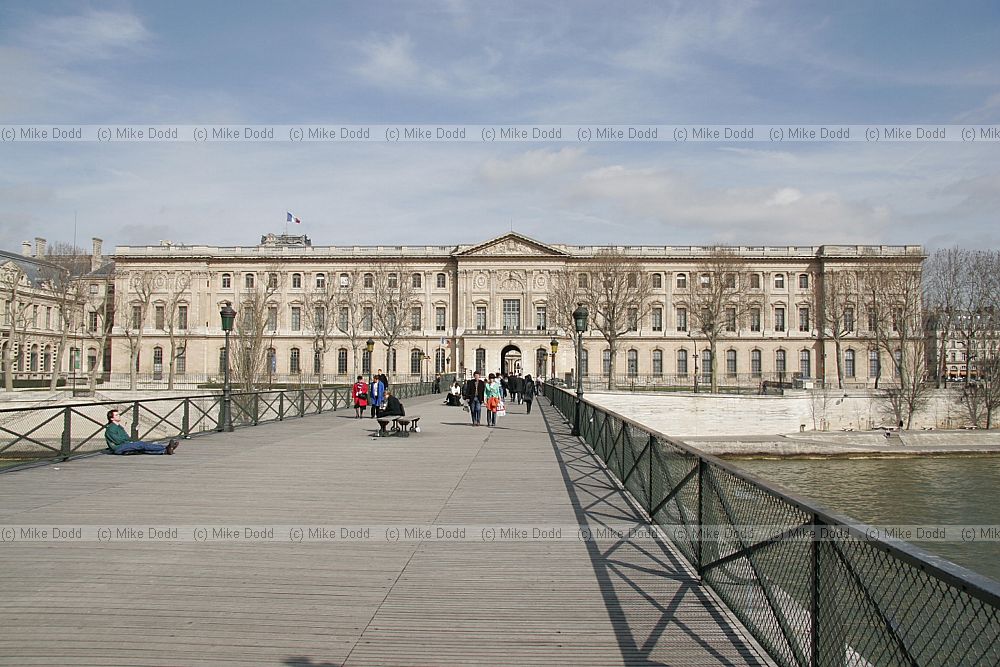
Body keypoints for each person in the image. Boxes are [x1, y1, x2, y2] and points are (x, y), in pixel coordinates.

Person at [105, 409, 178, 455]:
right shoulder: (111, 428)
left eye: (119, 414)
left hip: (124, 444)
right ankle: (166, 447)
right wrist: (128, 441)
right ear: (112, 418)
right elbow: (118, 440)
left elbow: (126, 437)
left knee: (141, 447)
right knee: (141, 445)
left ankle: (165, 450)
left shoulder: (119, 427)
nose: (119, 416)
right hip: (118, 448)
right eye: (117, 415)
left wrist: (128, 440)